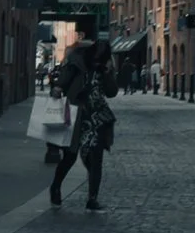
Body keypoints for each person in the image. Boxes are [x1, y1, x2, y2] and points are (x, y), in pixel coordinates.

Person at [47, 30, 142, 213]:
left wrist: (107, 73)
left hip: (97, 118)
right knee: (70, 157)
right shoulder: (76, 64)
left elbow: (111, 92)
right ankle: (56, 187)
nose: (99, 60)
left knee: (95, 159)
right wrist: (58, 88)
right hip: (77, 115)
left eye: (102, 57)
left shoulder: (103, 69)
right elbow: (63, 81)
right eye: (97, 56)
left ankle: (92, 198)